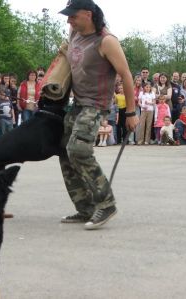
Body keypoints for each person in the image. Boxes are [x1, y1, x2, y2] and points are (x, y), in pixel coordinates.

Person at [58, 0, 138, 230]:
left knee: (78, 149)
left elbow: (126, 75)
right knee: (64, 151)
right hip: (77, 103)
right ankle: (85, 208)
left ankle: (106, 203)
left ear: (88, 14)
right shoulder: (75, 32)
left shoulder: (107, 41)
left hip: (95, 104)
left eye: (73, 16)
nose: (68, 20)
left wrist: (130, 112)